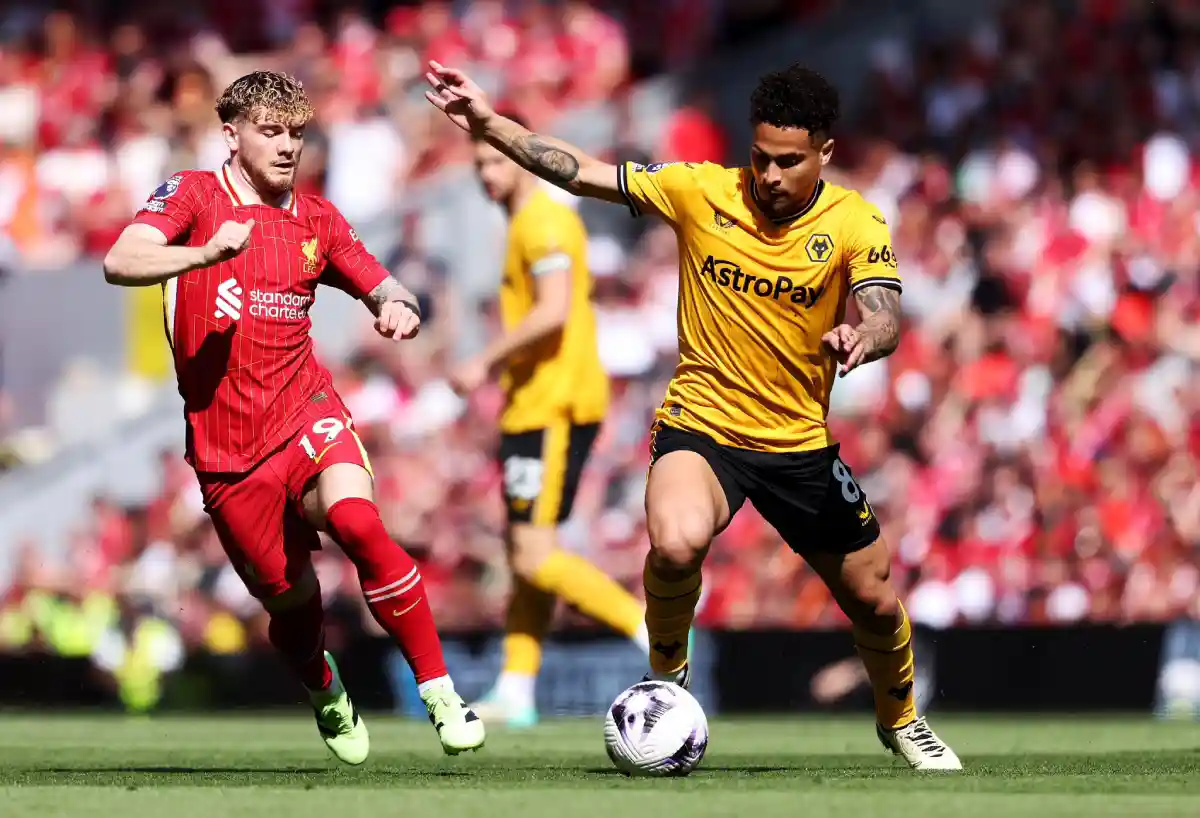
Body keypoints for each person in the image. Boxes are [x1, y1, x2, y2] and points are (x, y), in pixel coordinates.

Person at [426, 60, 961, 770]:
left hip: (798, 445)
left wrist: (866, 334)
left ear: (824, 154)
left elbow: (886, 309)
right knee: (674, 544)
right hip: (701, 428)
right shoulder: (700, 189)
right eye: (761, 158)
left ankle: (901, 720)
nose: (770, 176)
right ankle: (667, 678)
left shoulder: (856, 220)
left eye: (790, 163)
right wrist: (490, 124)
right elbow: (584, 172)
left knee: (874, 600)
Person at [102, 70, 485, 765]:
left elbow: (382, 279)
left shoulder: (317, 219)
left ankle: (440, 691)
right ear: (232, 133)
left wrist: (396, 304)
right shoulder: (192, 196)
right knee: (293, 607)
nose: (286, 147)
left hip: (304, 411)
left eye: (296, 134)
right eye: (270, 131)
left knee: (359, 522)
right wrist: (202, 254)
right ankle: (324, 686)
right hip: (226, 452)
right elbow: (120, 259)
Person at [452, 114, 649, 727]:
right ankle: (516, 686)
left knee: (534, 556)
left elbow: (555, 310)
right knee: (525, 555)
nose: (488, 174)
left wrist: (484, 359)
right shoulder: (527, 222)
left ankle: (651, 630)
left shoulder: (543, 221)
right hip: (537, 404)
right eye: (479, 164)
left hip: (551, 407)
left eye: (496, 161)